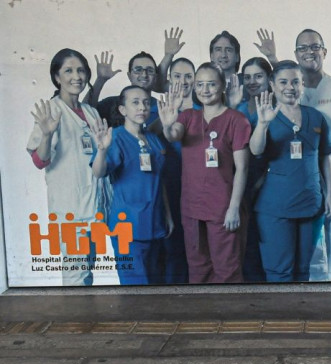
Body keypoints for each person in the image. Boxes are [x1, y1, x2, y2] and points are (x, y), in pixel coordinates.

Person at [257, 28, 331, 280]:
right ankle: (311, 307)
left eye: (315, 47)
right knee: (308, 254)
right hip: (301, 183)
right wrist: (272, 58)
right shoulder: (292, 88)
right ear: (296, 54)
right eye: (302, 48)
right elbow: (284, 78)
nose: (309, 52)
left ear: (324, 51)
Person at [159, 63, 250, 283]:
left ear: (222, 86)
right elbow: (174, 135)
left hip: (223, 208)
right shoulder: (188, 116)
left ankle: (228, 317)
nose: (205, 89)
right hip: (192, 208)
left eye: (211, 84)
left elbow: (243, 168)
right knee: (198, 268)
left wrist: (234, 208)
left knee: (226, 270)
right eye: (200, 84)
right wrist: (167, 125)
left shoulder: (236, 120)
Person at [250, 60, 331, 282]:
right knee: (280, 271)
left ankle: (299, 315)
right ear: (272, 84)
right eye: (283, 82)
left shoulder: (316, 117)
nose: (290, 87)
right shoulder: (264, 116)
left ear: (302, 85)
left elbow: (324, 155)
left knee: (302, 270)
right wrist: (262, 124)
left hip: (310, 204)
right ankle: (280, 316)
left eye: (295, 82)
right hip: (275, 208)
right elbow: (255, 150)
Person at [27, 48, 108, 286]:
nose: (77, 76)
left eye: (81, 70)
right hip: (70, 212)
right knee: (76, 277)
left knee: (87, 271)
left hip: (93, 208)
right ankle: (75, 324)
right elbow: (40, 161)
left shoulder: (90, 112)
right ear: (56, 77)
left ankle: (85, 323)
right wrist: (47, 134)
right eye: (69, 70)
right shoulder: (52, 110)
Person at [89, 86, 172, 285]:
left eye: (145, 102)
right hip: (128, 226)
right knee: (135, 288)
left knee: (154, 285)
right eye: (135, 102)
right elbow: (99, 172)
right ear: (123, 110)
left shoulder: (153, 139)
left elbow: (159, 181)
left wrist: (167, 215)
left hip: (154, 222)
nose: (142, 107)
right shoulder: (115, 138)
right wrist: (101, 150)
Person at [230, 57, 273, 282]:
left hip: (268, 184)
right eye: (247, 77)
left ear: (269, 78)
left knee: (266, 242)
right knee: (243, 243)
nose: (252, 81)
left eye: (258, 76)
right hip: (240, 183)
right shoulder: (237, 107)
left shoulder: (276, 108)